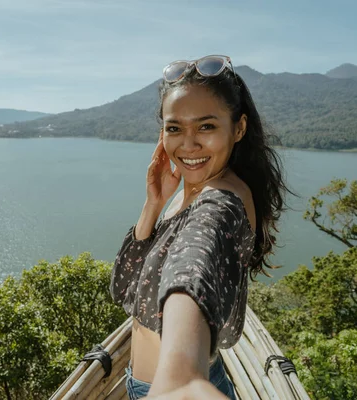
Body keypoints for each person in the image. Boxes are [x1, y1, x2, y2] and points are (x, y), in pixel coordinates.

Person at [110, 55, 288, 400]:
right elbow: (124, 287)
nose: (188, 144)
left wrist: (182, 377)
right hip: (144, 385)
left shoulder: (221, 205)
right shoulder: (183, 197)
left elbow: (192, 271)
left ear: (238, 128)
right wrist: (154, 204)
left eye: (206, 126)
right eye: (175, 128)